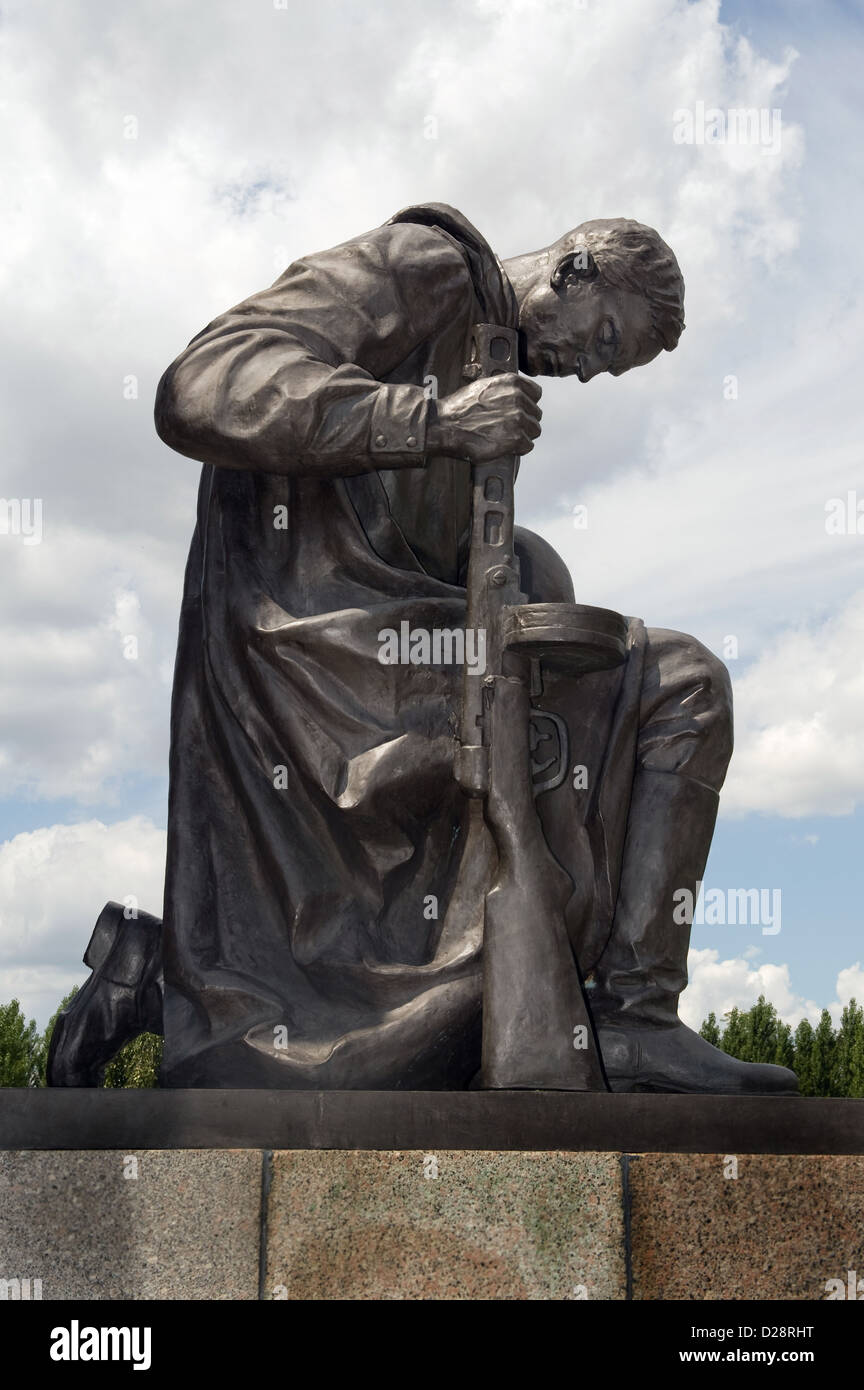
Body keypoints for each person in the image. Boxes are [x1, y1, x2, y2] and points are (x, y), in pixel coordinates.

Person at [48, 203, 796, 1094]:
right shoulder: (428, 264)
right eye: (601, 336)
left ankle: (170, 973)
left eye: (607, 365)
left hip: (380, 649)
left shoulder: (492, 344)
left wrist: (522, 564)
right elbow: (204, 384)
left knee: (579, 652)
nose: (586, 367)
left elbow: (412, 537)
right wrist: (430, 420)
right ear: (577, 266)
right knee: (682, 685)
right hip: (317, 659)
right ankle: (632, 1017)